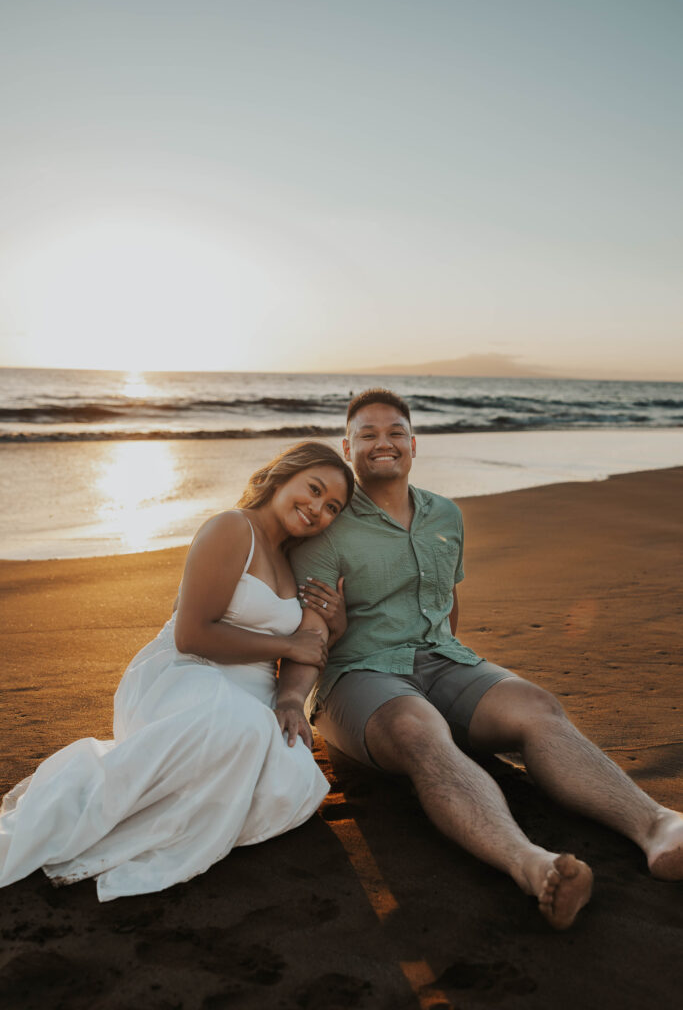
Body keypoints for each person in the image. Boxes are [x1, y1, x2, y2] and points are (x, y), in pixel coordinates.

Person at [284, 388, 683, 930]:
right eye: (368, 434)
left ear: (414, 443)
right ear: (348, 447)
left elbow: (449, 604)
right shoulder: (328, 526)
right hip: (360, 676)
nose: (384, 443)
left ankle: (658, 827)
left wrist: (456, 682)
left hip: (442, 659)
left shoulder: (444, 514)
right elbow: (310, 632)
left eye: (395, 432)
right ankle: (534, 865)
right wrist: (291, 697)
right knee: (417, 728)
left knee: (536, 707)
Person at [0, 441, 354, 902]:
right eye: (312, 488)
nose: (316, 508)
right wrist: (287, 642)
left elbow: (311, 647)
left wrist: (332, 633)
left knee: (296, 782)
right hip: (186, 672)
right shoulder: (232, 528)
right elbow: (193, 634)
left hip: (252, 692)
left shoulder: (295, 562)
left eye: (332, 507)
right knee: (240, 728)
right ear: (280, 477)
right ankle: (76, 819)